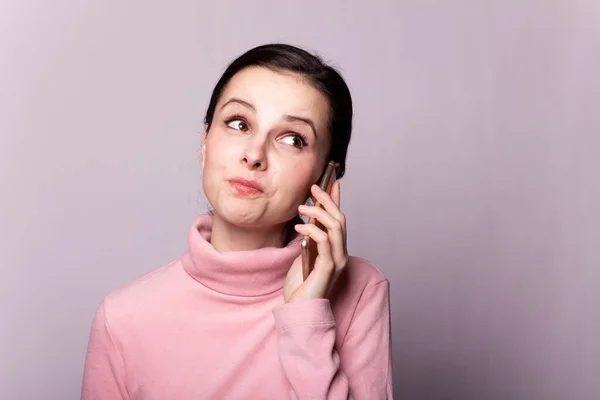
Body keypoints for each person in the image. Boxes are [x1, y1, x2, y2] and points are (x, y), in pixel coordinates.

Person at [81, 43, 393, 399]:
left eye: (293, 139)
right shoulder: (123, 318)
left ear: (325, 176)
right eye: (239, 123)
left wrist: (306, 317)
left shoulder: (360, 290)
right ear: (205, 142)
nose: (254, 155)